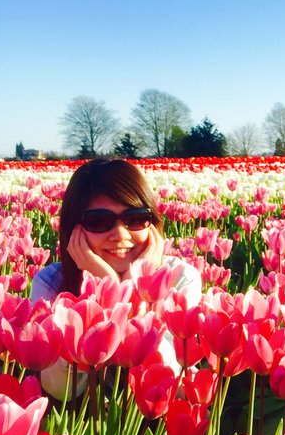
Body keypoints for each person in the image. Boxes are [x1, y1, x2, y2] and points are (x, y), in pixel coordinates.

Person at [31, 158, 202, 399]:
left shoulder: (181, 279)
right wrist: (104, 290)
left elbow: (167, 372)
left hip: (156, 425)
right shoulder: (50, 284)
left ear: (151, 222)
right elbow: (60, 388)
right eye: (99, 221)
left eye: (135, 218)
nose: (121, 235)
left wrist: (138, 291)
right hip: (82, 424)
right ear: (74, 228)